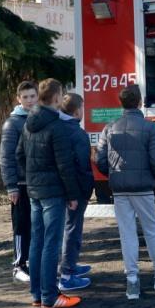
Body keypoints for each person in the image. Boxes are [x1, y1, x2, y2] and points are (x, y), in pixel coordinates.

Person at [96, 84, 155, 300]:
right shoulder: (150, 128)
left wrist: (114, 176)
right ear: (141, 102)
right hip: (143, 188)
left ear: (121, 103)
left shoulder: (109, 127)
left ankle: (132, 282)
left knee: (127, 234)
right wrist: (153, 178)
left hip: (119, 189)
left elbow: (100, 160)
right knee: (152, 230)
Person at [16, 78, 82, 308]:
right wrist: (72, 195)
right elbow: (65, 165)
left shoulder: (28, 122)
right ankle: (50, 296)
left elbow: (19, 156)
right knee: (51, 244)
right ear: (55, 98)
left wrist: (33, 177)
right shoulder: (56, 126)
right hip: (53, 192)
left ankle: (38, 294)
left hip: (34, 190)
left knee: (37, 242)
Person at [0, 80, 38, 283]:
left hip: (38, 183)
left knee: (35, 225)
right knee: (21, 226)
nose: (30, 100)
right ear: (18, 99)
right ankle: (18, 266)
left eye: (32, 96)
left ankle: (32, 263)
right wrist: (11, 186)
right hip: (20, 184)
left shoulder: (40, 119)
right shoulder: (12, 123)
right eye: (25, 97)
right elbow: (6, 157)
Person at [59, 93, 94, 292]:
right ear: (77, 110)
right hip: (75, 190)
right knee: (72, 230)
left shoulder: (57, 128)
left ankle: (69, 266)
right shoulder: (77, 133)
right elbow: (82, 166)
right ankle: (67, 275)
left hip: (61, 189)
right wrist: (86, 190)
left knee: (67, 229)